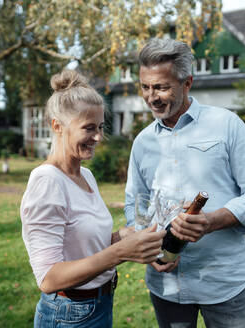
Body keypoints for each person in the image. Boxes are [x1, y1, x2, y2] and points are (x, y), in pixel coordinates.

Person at [124, 38, 245, 327]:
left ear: (187, 83)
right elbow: (135, 205)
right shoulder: (142, 142)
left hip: (223, 282)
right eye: (145, 87)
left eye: (162, 87)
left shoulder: (227, 124)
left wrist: (212, 220)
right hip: (167, 284)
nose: (151, 97)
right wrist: (148, 248)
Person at [20, 70, 166, 328]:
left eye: (100, 127)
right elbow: (48, 279)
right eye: (88, 128)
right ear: (57, 126)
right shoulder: (47, 182)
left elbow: (81, 246)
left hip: (99, 305)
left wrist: (120, 237)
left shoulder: (85, 175)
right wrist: (119, 252)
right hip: (67, 314)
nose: (98, 137)